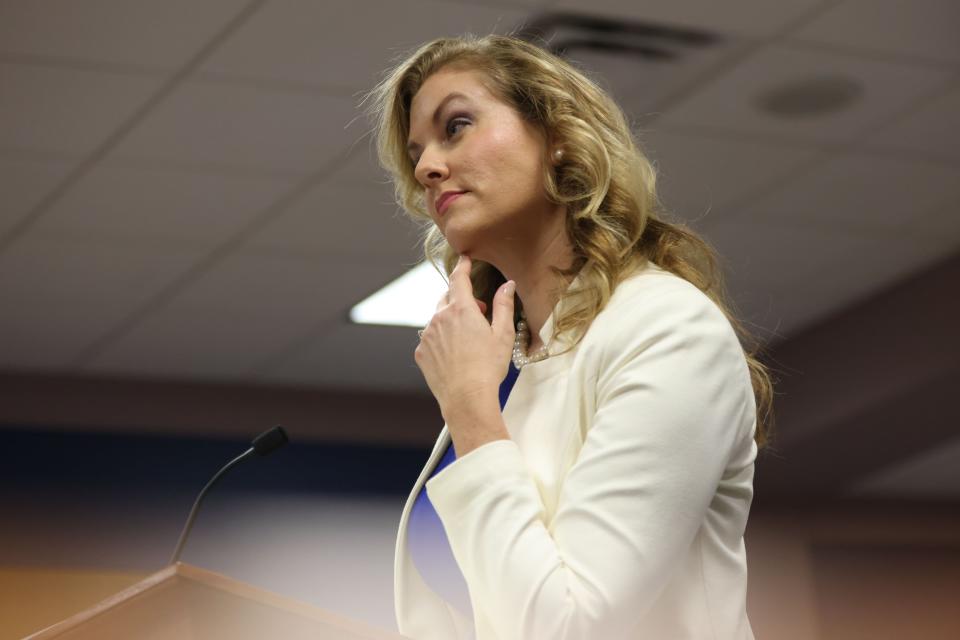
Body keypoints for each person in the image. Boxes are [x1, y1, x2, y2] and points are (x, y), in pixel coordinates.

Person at [364, 34, 774, 640]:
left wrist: (471, 410)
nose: (426, 167)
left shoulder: (666, 328)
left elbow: (568, 625)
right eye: (418, 151)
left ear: (558, 137)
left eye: (456, 126)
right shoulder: (510, 360)